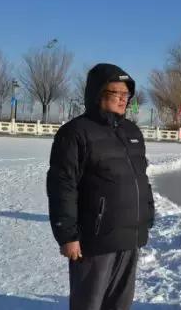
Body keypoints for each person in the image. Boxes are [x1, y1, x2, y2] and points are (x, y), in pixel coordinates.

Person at [47, 63, 154, 310]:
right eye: (115, 93)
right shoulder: (74, 132)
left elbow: (141, 178)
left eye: (126, 94)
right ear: (96, 94)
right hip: (94, 240)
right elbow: (63, 186)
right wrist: (67, 235)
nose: (122, 99)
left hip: (129, 236)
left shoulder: (132, 131)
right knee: (89, 304)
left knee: (120, 304)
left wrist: (148, 212)